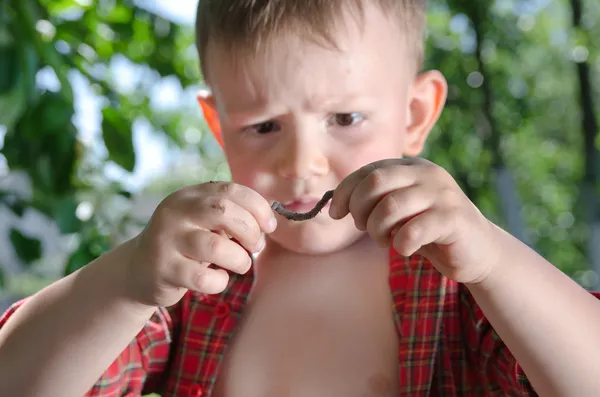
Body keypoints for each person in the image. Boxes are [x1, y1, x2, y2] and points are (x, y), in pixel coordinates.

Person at [2, 0, 600, 396]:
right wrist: (125, 278)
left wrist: (494, 260)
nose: (301, 164)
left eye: (346, 117)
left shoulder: (456, 288)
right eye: (263, 127)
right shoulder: (196, 284)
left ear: (415, 114)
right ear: (219, 126)